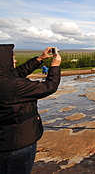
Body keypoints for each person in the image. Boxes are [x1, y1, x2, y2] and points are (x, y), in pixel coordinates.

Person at [0, 44, 61, 174]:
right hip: (18, 142)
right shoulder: (14, 85)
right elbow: (49, 87)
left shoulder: (6, 79)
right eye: (13, 58)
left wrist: (40, 59)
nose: (15, 61)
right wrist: (55, 66)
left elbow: (18, 72)